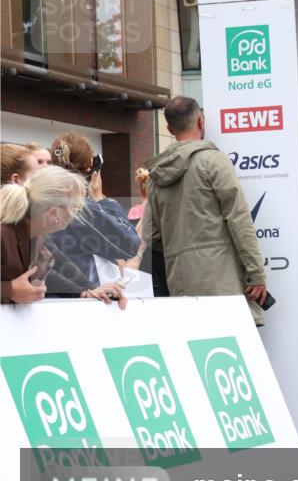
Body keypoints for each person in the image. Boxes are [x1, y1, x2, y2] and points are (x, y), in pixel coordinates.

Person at [142, 96, 268, 324]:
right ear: (201, 121)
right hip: (222, 283)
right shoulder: (213, 161)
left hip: (180, 284)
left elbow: (151, 235)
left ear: (169, 129)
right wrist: (256, 273)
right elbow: (239, 220)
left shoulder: (155, 177)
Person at [1, 162, 125, 307]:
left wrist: (90, 290)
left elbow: (61, 265)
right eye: (73, 208)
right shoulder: (4, 235)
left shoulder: (36, 236)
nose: (75, 215)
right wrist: (10, 290)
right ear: (54, 213)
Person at [45, 133, 141, 285]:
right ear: (90, 164)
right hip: (83, 295)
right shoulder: (79, 206)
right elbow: (130, 245)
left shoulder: (36, 197)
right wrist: (101, 199)